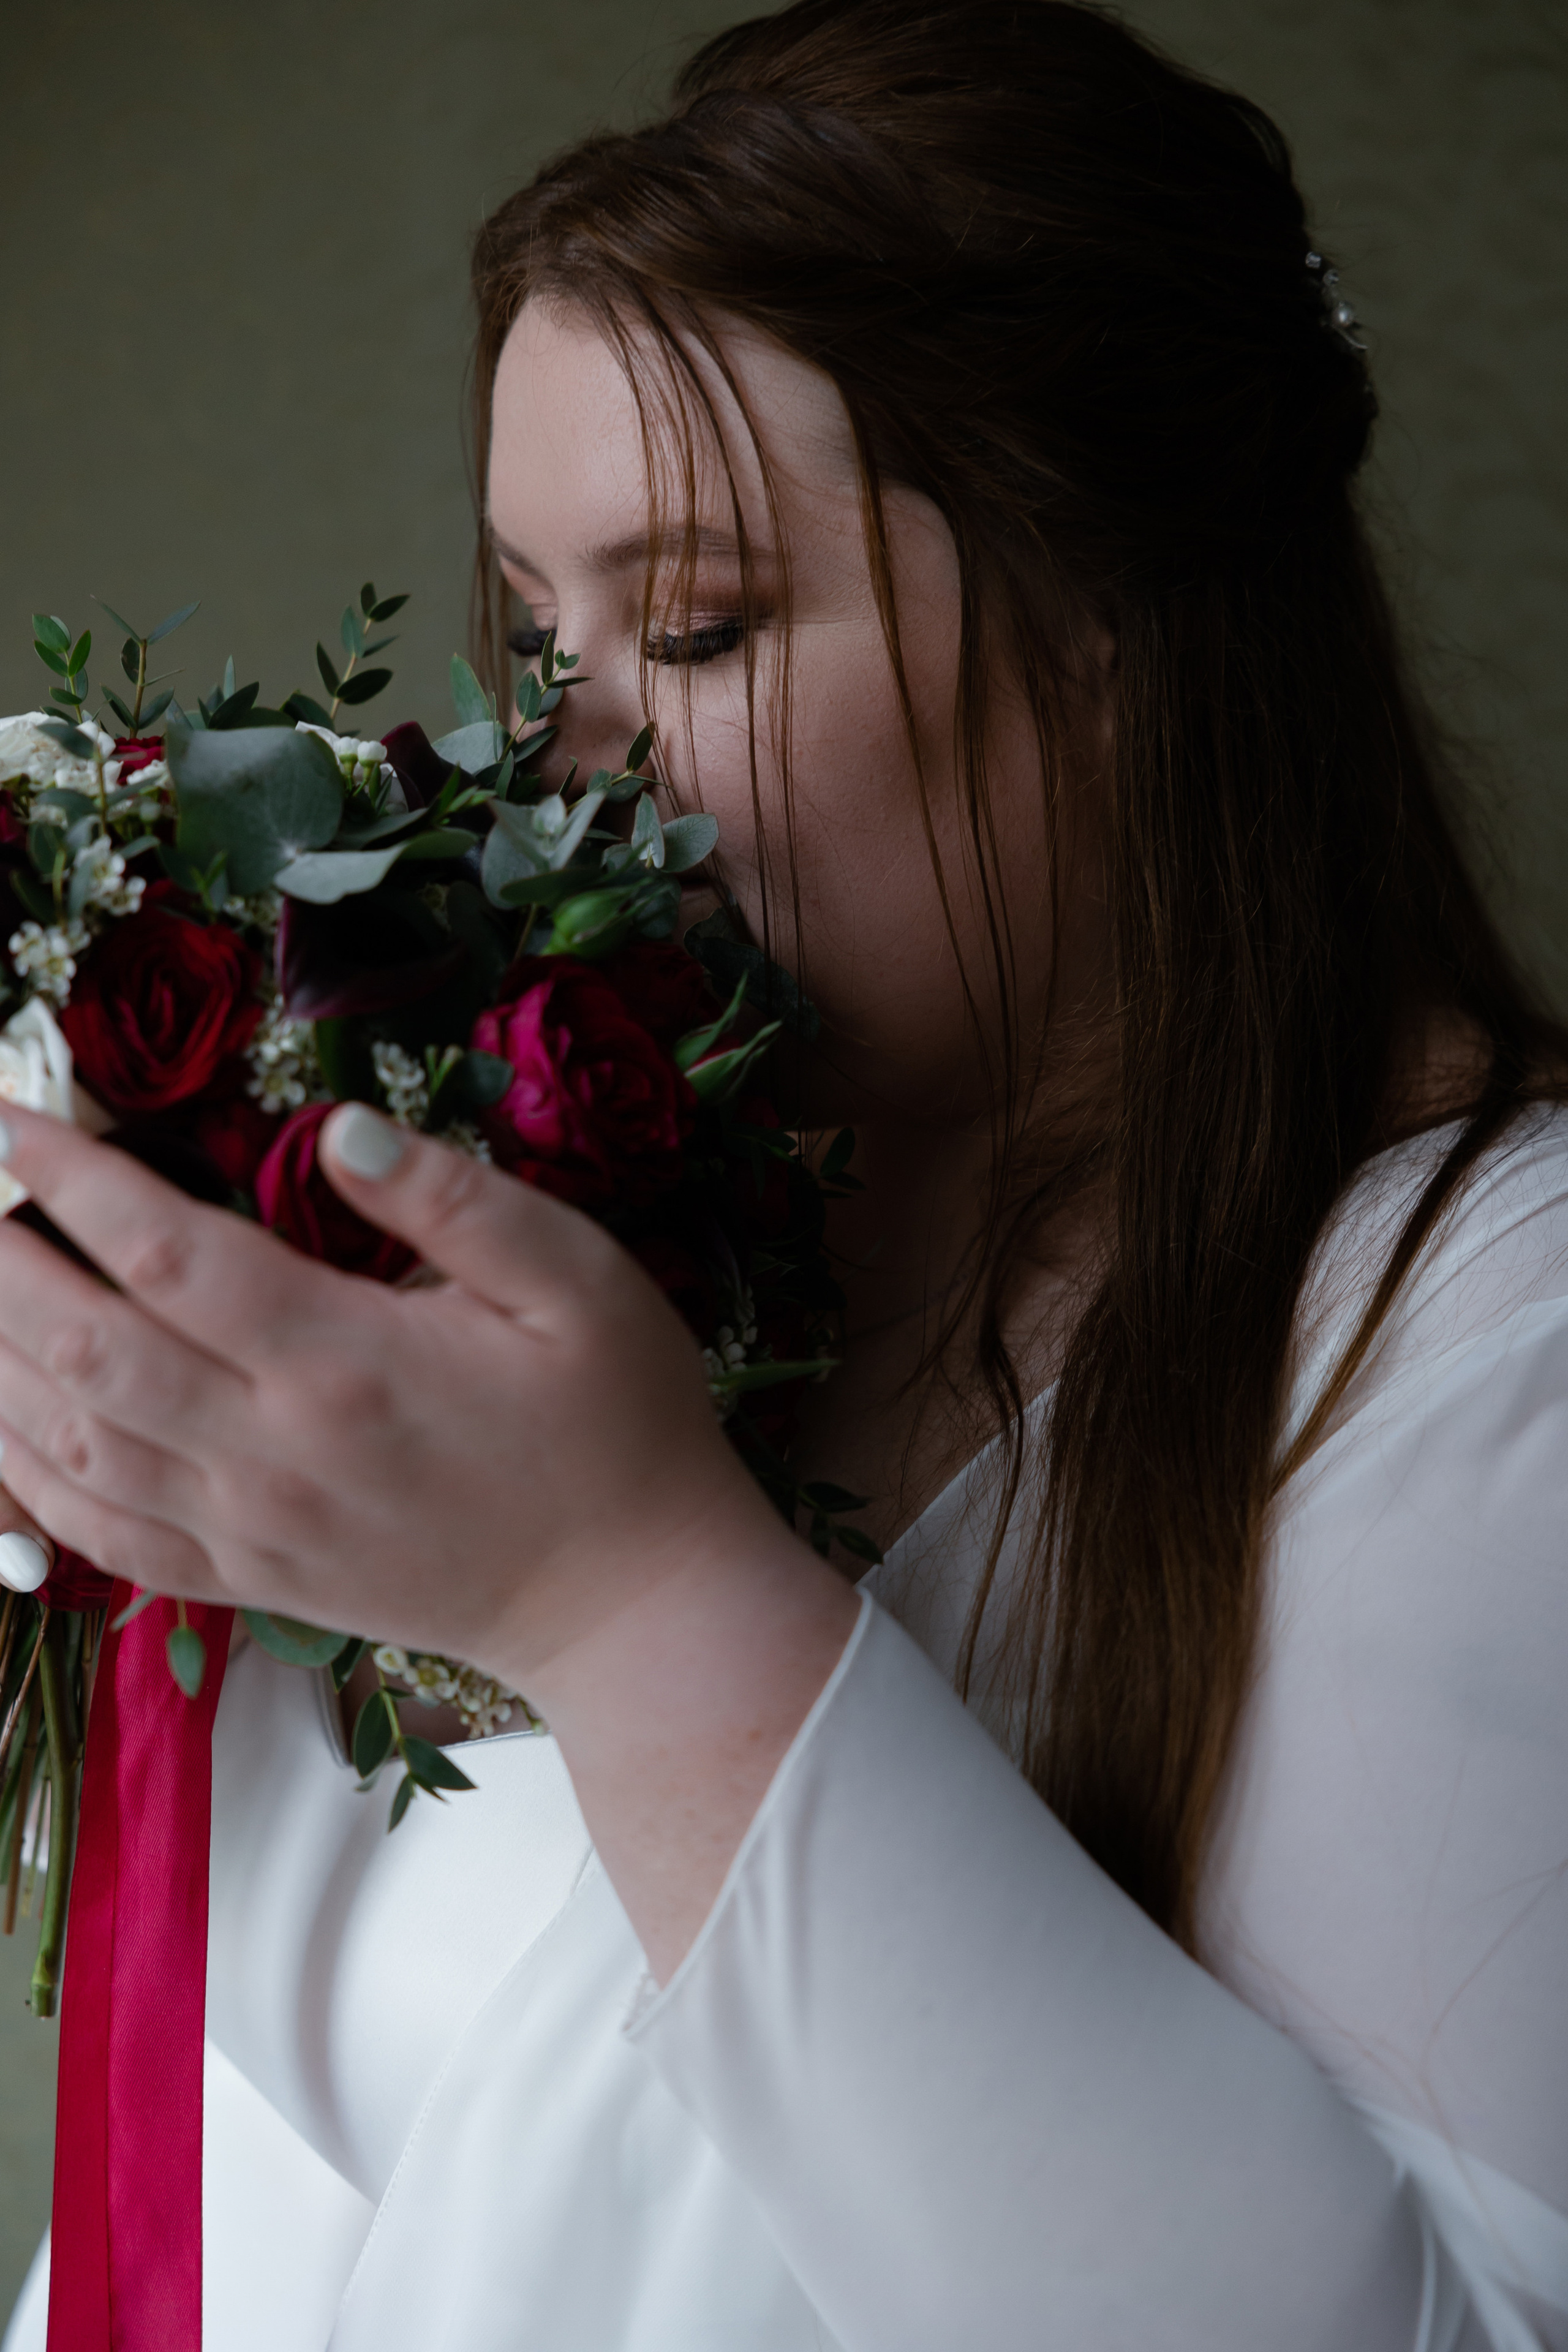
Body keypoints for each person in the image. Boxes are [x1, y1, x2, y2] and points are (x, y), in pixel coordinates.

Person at [3, 3, 1567, 2345]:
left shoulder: (1496, 1345)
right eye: (539, 634)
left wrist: (635, 1603)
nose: (563, 760)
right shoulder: (620, 1213)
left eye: (703, 625)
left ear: (1122, 617)